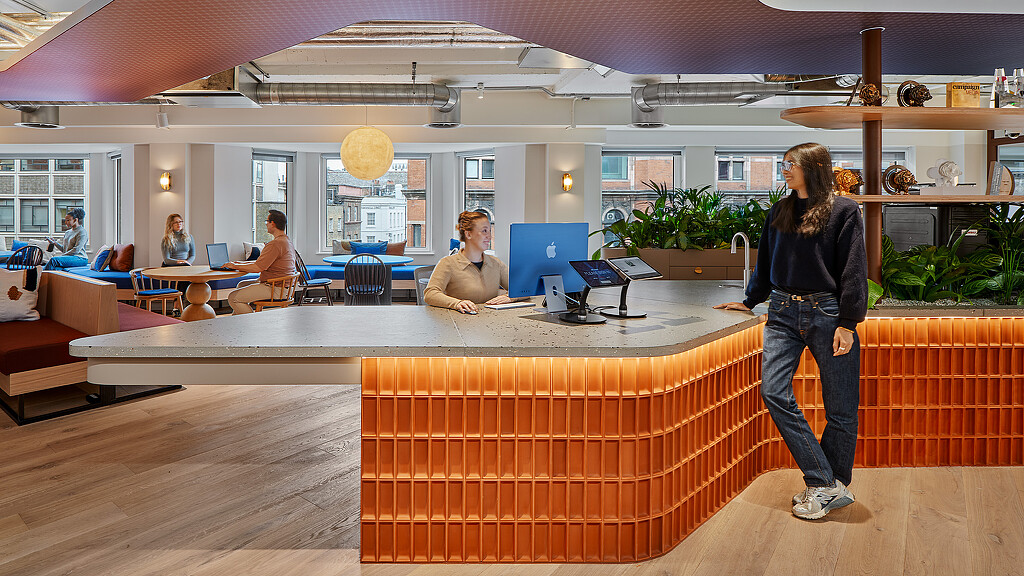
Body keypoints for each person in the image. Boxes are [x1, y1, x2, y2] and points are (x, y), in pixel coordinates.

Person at [714, 142, 867, 520]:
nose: (784, 170)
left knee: (841, 409)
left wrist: (848, 323)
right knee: (773, 392)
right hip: (781, 312)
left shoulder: (844, 210)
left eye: (791, 164)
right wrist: (751, 300)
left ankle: (831, 485)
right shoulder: (780, 210)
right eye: (783, 164)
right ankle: (824, 482)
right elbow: (767, 260)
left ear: (814, 167)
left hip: (827, 313)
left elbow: (854, 269)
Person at [424, 211, 516, 313]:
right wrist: (457, 303)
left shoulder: (496, 263)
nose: (489, 236)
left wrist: (510, 297)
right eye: (484, 231)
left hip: (490, 319)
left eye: (490, 231)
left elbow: (522, 288)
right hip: (459, 320)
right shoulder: (448, 263)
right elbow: (430, 294)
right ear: (468, 234)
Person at [224, 210, 296, 314]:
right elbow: (260, 262)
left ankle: (252, 322)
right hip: (284, 287)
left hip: (276, 288)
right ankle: (238, 321)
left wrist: (234, 266)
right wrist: (237, 264)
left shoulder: (275, 244)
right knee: (242, 284)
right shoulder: (286, 241)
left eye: (267, 221)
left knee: (233, 298)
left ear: (273, 223)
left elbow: (258, 268)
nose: (266, 224)